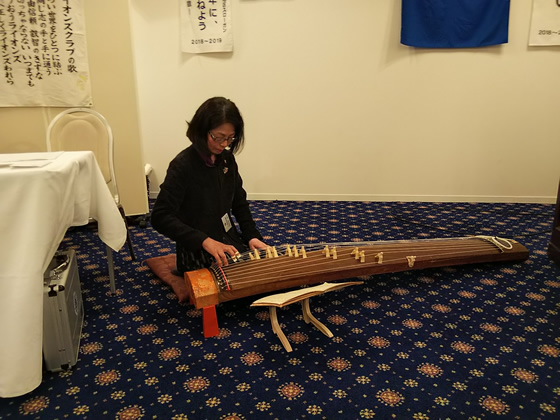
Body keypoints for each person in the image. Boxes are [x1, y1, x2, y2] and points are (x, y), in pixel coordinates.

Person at [151, 97, 267, 273]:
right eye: (218, 137)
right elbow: (160, 216)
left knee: (261, 268)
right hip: (196, 247)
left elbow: (239, 202)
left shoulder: (227, 159)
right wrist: (204, 241)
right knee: (233, 280)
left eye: (230, 138)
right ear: (201, 130)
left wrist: (251, 236)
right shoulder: (183, 165)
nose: (224, 144)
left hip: (227, 237)